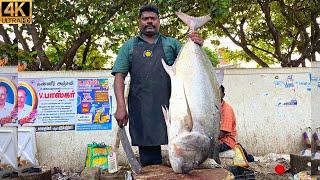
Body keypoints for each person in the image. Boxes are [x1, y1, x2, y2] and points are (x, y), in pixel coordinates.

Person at [112, 4, 204, 166]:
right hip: (143, 109)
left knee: (183, 154)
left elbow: (191, 67)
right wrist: (120, 106)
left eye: (153, 18)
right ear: (139, 22)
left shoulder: (172, 44)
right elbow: (119, 76)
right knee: (150, 160)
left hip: (175, 108)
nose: (149, 22)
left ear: (159, 21)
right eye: (145, 18)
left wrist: (197, 45)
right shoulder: (129, 46)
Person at [219, 85, 237, 152]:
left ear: (223, 95)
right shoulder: (213, 108)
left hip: (225, 141)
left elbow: (222, 132)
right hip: (216, 139)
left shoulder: (226, 109)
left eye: (218, 93)